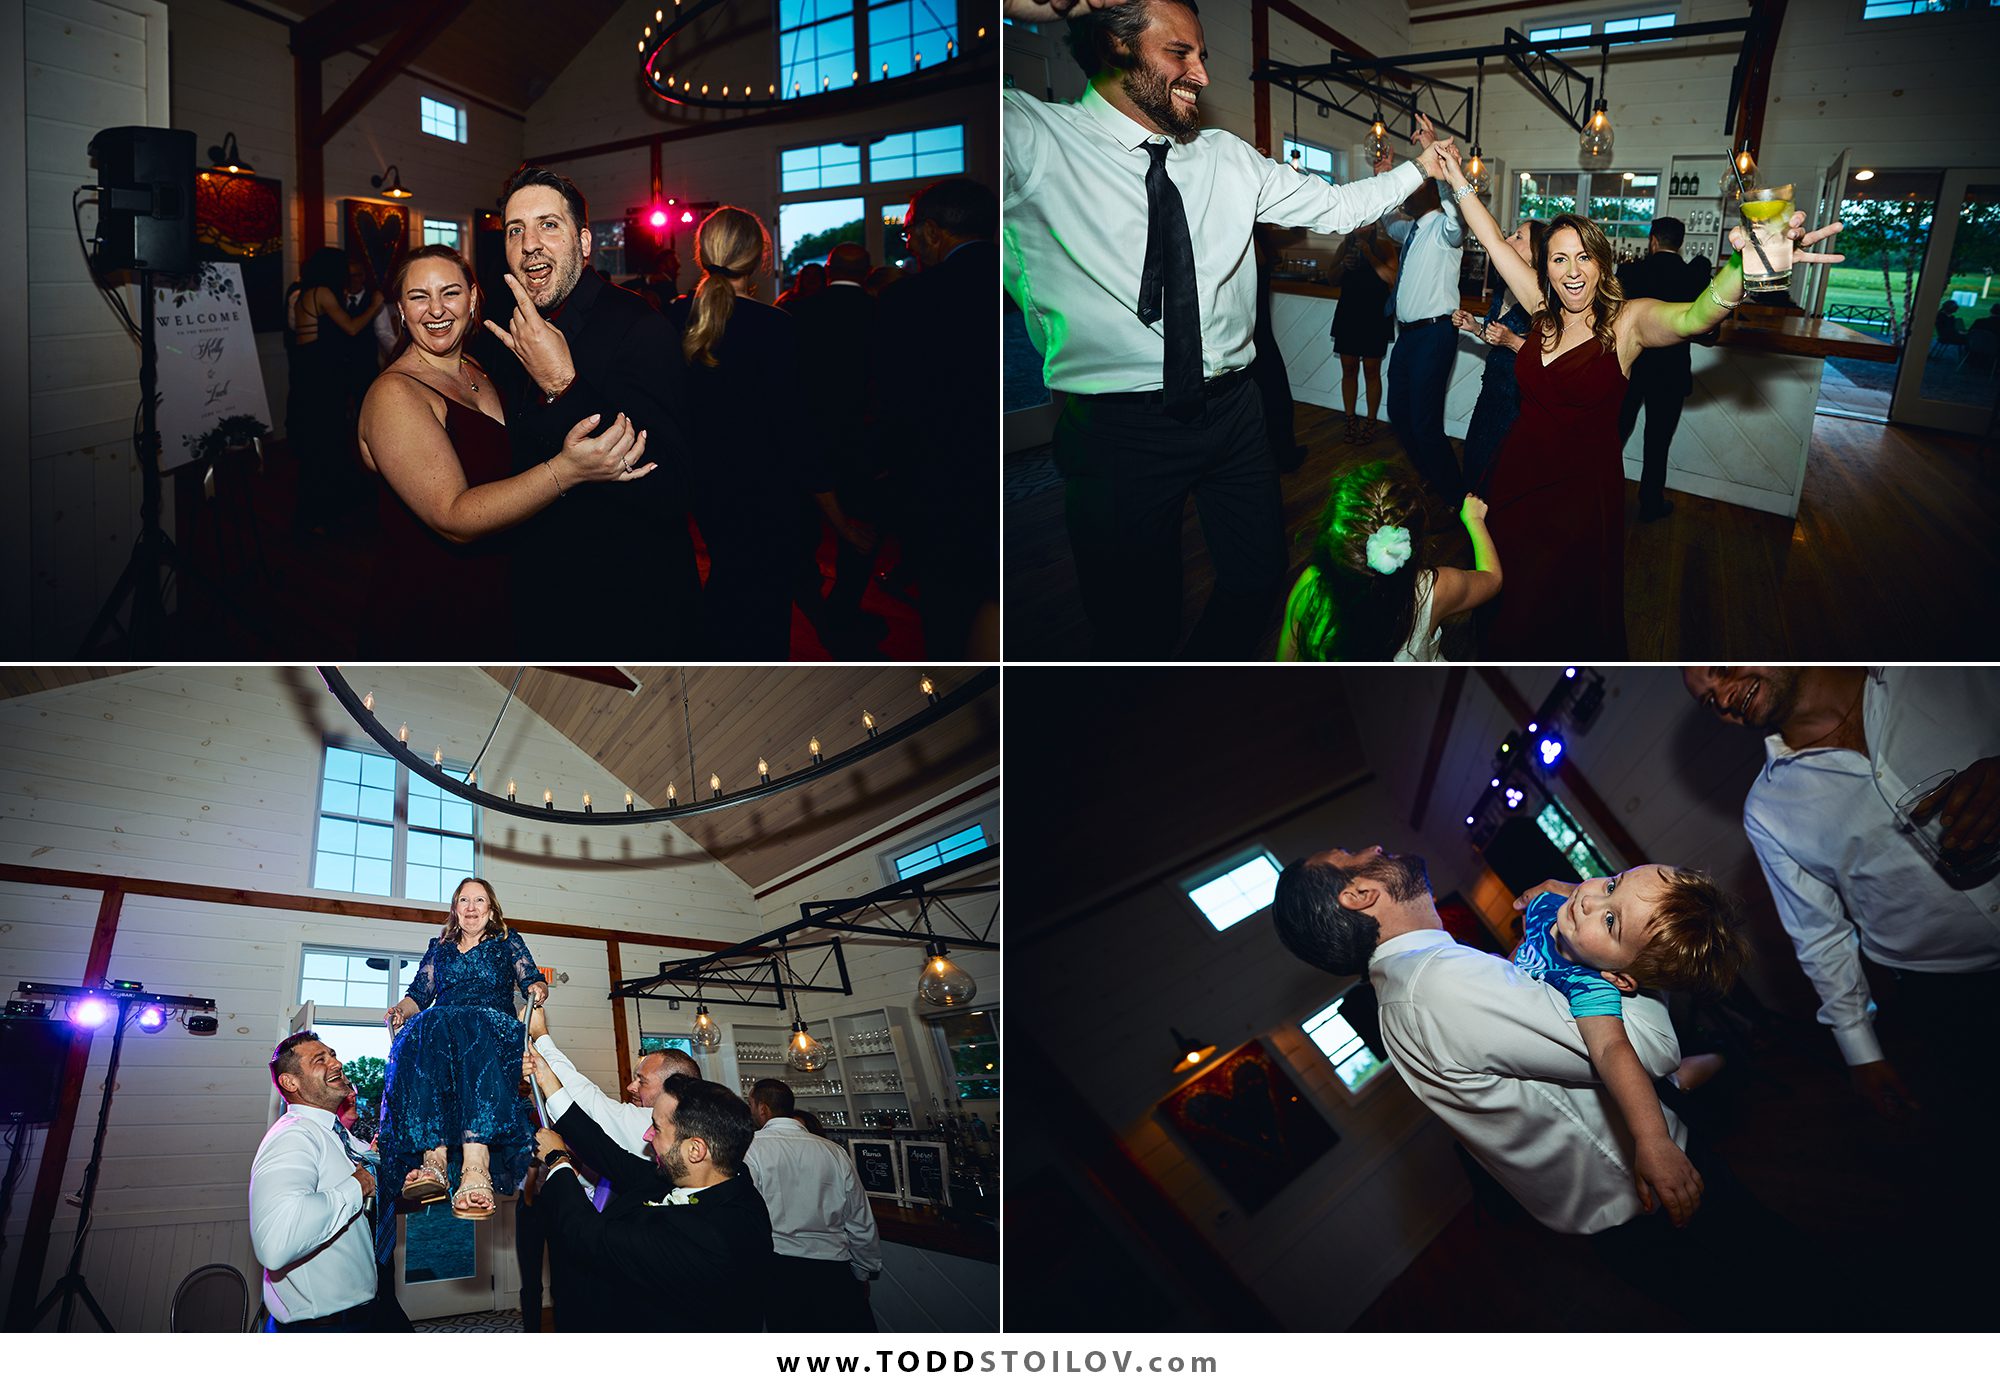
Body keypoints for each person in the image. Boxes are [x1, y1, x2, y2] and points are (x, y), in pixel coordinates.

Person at [1002, 0, 1460, 659]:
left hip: (1235, 410)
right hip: (1119, 429)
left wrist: (1421, 168)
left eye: (1203, 55)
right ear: (1115, 44)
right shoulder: (1032, 137)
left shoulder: (1227, 156)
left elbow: (1337, 207)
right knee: (1135, 628)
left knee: (1258, 576)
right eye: (1179, 53)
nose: (1202, 74)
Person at [1431, 143, 1842, 658]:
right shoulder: (1541, 310)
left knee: (1557, 609)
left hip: (1580, 498)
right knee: (1506, 597)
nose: (1572, 270)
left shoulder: (1628, 321)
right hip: (1517, 477)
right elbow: (1492, 239)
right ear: (1545, 269)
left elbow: (1695, 316)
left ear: (1602, 265)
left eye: (1584, 257)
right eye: (1559, 258)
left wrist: (1746, 263)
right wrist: (1455, 178)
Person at [1269, 847, 1688, 1235]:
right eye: (1350, 855)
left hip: (1619, 1201)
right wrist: (1639, 950)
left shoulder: (1413, 985)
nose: (1373, 849)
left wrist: (1578, 912)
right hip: (1650, 1193)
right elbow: (1651, 1048)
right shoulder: (1439, 983)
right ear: (1359, 895)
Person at [1682, 666, 2000, 1122]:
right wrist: (1861, 1052)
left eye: (1722, 671)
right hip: (1950, 995)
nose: (1724, 700)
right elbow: (1819, 935)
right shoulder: (1768, 809)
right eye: (1709, 701)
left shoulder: (1940, 670)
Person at [356, 245, 655, 655]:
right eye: (419, 296)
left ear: (472, 299)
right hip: (433, 605)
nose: (436, 309)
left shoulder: (476, 368)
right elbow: (453, 517)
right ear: (402, 311)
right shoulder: (394, 394)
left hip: (499, 590)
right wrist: (568, 470)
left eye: (450, 292)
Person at [474, 166, 701, 655]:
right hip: (540, 590)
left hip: (626, 603)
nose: (529, 244)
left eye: (548, 225)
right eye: (515, 230)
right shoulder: (506, 327)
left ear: (583, 242)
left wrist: (563, 384)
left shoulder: (640, 327)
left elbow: (672, 486)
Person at [1506, 869, 1749, 1227]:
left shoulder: (1589, 985)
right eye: (1611, 884)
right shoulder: (1546, 905)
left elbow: (1611, 1049)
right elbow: (1522, 951)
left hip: (1643, 1098)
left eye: (1610, 921)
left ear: (1619, 978)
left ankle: (1723, 1057)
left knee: (1671, 1086)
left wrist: (1653, 1139)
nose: (1589, 900)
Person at [528, 1065, 774, 1330]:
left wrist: (558, 1160)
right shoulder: (720, 1178)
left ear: (695, 1150)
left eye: (656, 1128)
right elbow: (610, 1156)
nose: (647, 1136)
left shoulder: (709, 1237)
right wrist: (547, 1080)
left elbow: (585, 1233)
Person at [667, 206, 806, 658]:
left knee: (730, 575)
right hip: (764, 488)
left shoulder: (674, 317)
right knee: (763, 598)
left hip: (702, 483)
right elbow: (793, 427)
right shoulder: (777, 327)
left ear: (703, 253)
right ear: (760, 256)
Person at [876, 177, 1003, 659]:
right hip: (1011, 469)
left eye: (908, 233)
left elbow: (895, 403)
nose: (908, 244)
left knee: (949, 610)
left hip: (940, 482)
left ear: (932, 231)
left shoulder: (909, 300)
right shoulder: (1018, 278)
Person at [520, 1012, 702, 1330]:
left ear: (675, 1091)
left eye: (642, 1081)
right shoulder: (661, 1151)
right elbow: (607, 1156)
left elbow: (589, 1107)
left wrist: (542, 1037)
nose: (631, 1087)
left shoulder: (654, 1127)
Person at [379, 877, 546, 1220]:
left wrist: (538, 986)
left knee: (468, 1024)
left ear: (491, 910)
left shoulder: (507, 941)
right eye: (464, 900)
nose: (471, 907)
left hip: (492, 1026)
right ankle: (435, 1161)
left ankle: (476, 1163)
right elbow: (418, 996)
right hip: (443, 1029)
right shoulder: (439, 947)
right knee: (426, 1024)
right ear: (455, 909)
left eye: (479, 900)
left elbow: (531, 977)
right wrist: (400, 1010)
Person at [1278, 462, 1500, 662]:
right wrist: (1474, 520)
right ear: (1414, 543)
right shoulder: (1434, 589)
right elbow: (1493, 578)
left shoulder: (1312, 585)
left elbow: (1285, 659)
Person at [788, 241, 889, 658]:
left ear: (829, 270)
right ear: (866, 271)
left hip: (806, 436)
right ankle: (842, 609)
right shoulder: (880, 313)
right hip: (860, 442)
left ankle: (817, 609)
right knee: (860, 533)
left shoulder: (799, 313)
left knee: (803, 530)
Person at [249, 1032, 382, 1331]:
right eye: (320, 1060)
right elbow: (275, 1243)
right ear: (290, 1082)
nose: (336, 1063)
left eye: (333, 1055)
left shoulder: (337, 1135)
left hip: (359, 1314)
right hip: (319, 1327)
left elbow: (373, 1169)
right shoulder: (293, 1136)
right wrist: (359, 1185)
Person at [745, 1079, 883, 1332]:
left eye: (751, 1104)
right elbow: (859, 1218)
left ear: (763, 1109)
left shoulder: (751, 1149)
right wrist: (863, 1270)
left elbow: (746, 1215)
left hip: (781, 1269)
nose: (751, 1111)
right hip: (835, 1271)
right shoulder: (834, 1152)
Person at [1377, 153, 1466, 503]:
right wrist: (1385, 178)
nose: (1405, 195)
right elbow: (1388, 221)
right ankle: (1431, 475)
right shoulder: (1410, 230)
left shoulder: (1445, 229)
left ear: (1430, 191)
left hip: (1435, 334)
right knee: (1399, 413)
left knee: (1425, 423)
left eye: (1412, 187)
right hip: (1408, 336)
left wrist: (1442, 175)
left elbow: (1459, 216)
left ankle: (1454, 498)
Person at [1616, 218, 1714, 522]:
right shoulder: (1694, 275)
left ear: (1653, 240)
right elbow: (1709, 333)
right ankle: (1650, 504)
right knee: (1658, 443)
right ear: (1680, 243)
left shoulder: (1631, 272)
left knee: (1613, 436)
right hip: (1670, 372)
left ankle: (1598, 495)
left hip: (1631, 367)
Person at [285, 247, 381, 537]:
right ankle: (318, 517)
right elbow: (351, 328)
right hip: (320, 380)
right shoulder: (323, 293)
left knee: (320, 447)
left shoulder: (305, 293)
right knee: (323, 447)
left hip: (308, 377)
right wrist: (375, 306)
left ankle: (321, 514)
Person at [1451, 218, 1544, 496]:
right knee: (1475, 459)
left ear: (1536, 252)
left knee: (1504, 473)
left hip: (1519, 398)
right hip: (1491, 389)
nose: (1508, 240)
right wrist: (1475, 328)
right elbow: (1497, 337)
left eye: (1518, 237)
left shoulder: (1543, 296)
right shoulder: (1503, 287)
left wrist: (1512, 341)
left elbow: (1550, 355)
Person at [1331, 222, 1395, 444]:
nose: (1359, 230)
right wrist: (1343, 265)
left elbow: (1392, 279)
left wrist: (1369, 255)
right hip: (1348, 314)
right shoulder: (1344, 246)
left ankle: (1371, 421)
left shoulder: (1384, 247)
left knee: (1371, 370)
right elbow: (1332, 279)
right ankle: (1350, 420)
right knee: (1348, 369)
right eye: (1356, 226)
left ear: (1374, 225)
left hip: (1374, 316)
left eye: (1364, 225)